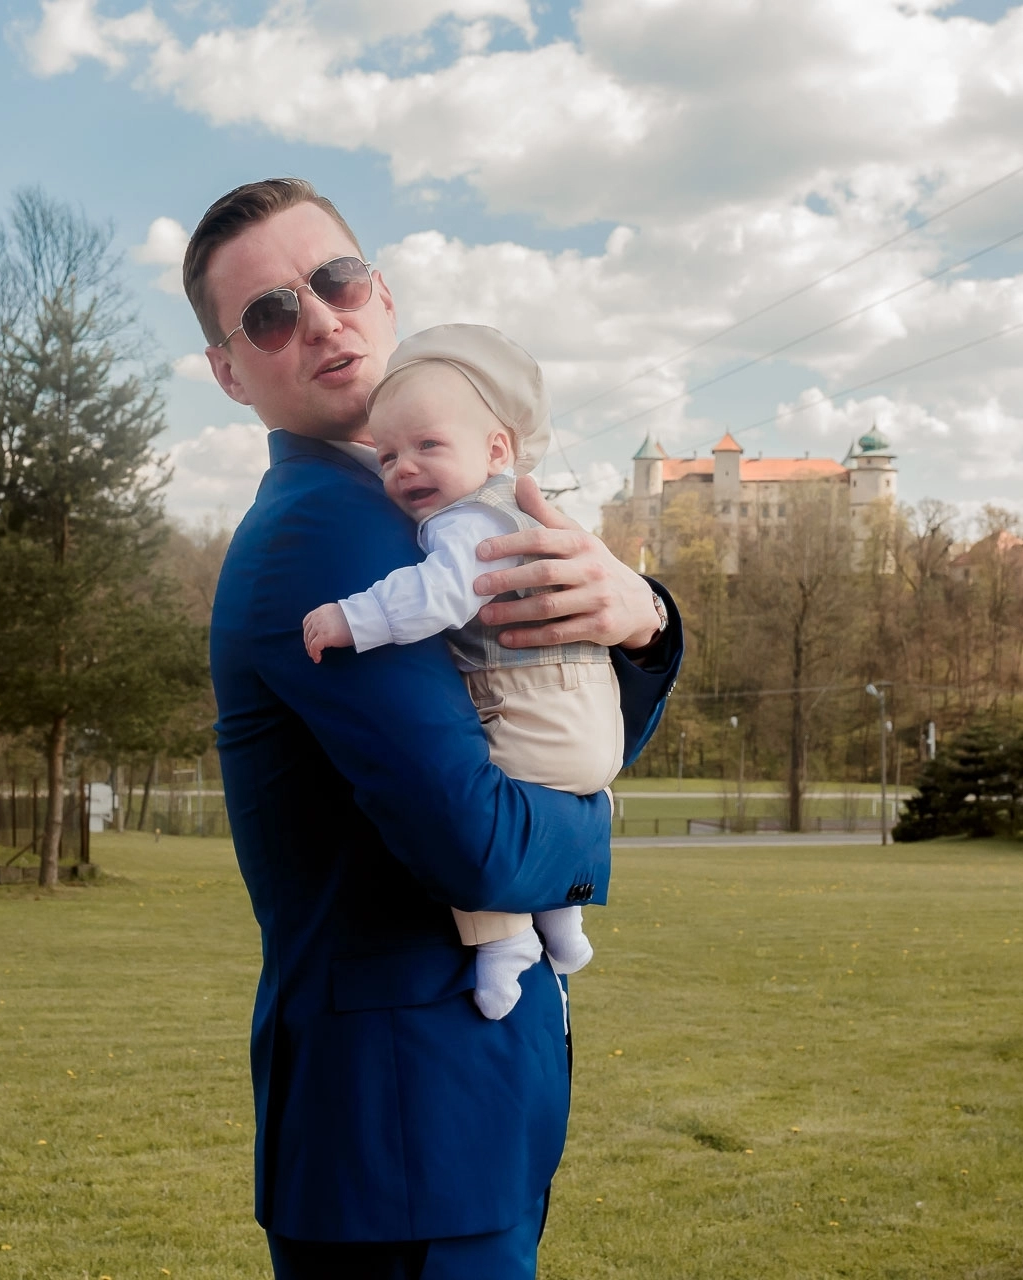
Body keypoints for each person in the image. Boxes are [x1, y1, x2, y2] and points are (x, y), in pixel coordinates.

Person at [189, 178, 682, 1278]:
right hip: (403, 1138)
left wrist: (642, 622)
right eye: (270, 313)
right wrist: (598, 827)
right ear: (229, 373)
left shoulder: (437, 510)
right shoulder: (328, 535)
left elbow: (542, 735)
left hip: (451, 1122)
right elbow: (482, 844)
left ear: (383, 295)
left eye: (336, 281)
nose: (322, 320)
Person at [302, 324, 616, 1021]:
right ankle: (563, 920)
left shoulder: (466, 522)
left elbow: (438, 594)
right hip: (590, 717)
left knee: (463, 805)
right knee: (539, 799)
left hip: (533, 710)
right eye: (388, 456)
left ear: (497, 451)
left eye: (428, 446)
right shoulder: (523, 513)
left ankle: (504, 940)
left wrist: (353, 618)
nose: (403, 468)